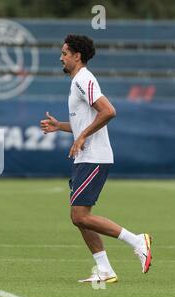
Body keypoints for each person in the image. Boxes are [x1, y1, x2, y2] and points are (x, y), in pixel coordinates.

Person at [40, 34, 152, 283]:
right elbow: (85, 122)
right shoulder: (77, 82)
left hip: (94, 156)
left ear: (77, 56)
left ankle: (137, 240)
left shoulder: (83, 79)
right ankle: (104, 270)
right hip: (85, 157)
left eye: (65, 53)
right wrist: (60, 126)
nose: (61, 58)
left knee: (79, 216)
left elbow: (109, 111)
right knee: (80, 218)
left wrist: (82, 138)